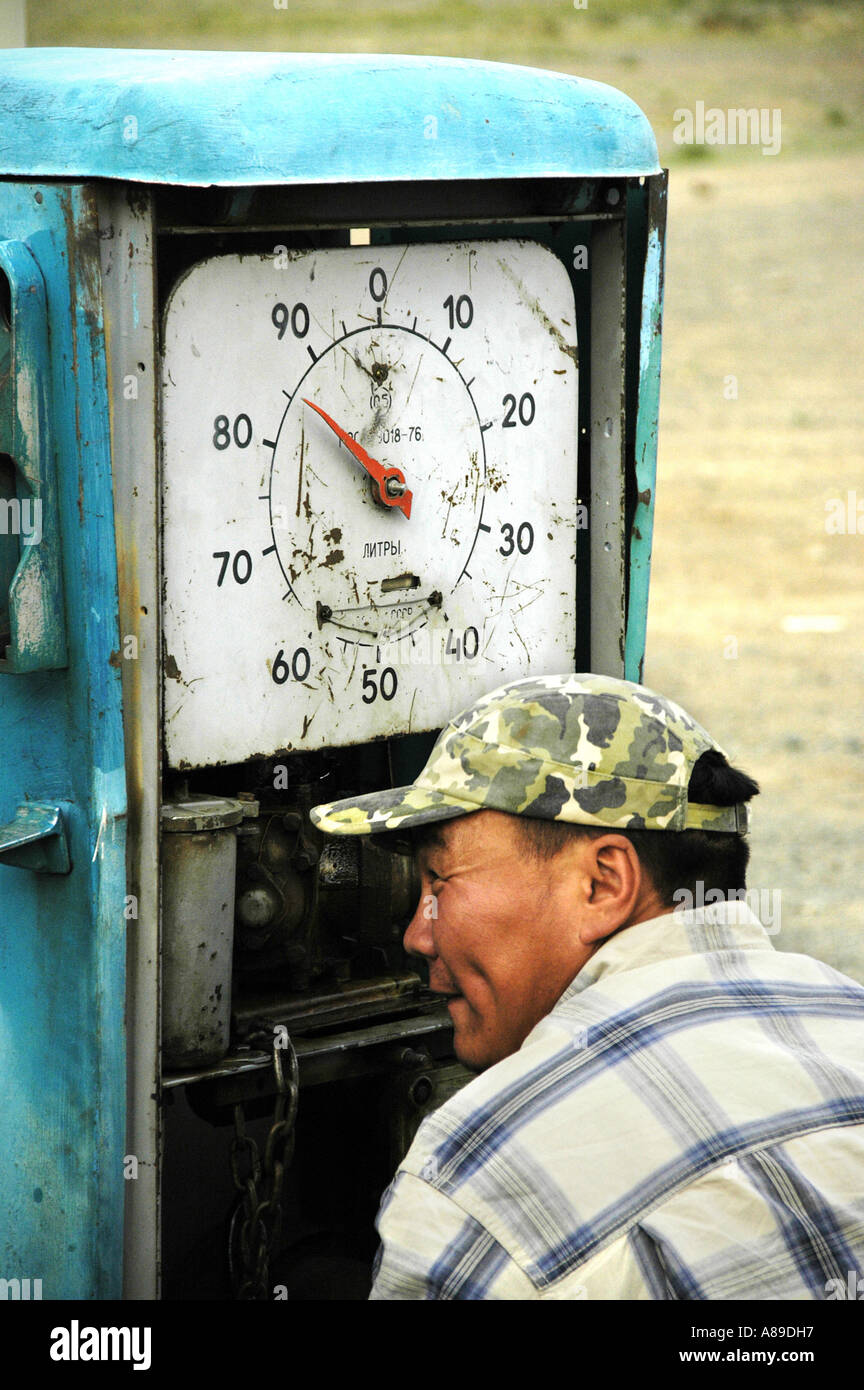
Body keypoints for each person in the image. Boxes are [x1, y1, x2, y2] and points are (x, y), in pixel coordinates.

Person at [310, 673, 864, 1300]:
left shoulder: (477, 1189)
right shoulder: (850, 1020)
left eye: (439, 880)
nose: (417, 935)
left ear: (603, 884)